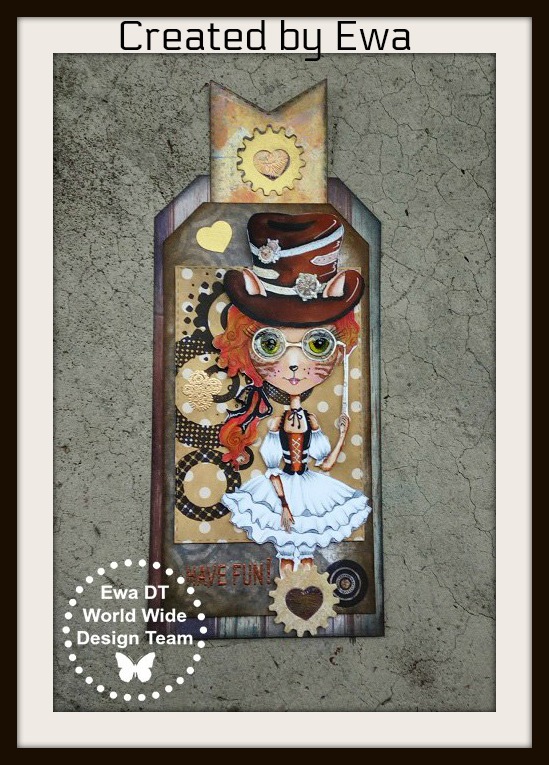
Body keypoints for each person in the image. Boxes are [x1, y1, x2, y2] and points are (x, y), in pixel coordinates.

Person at [213, 212, 371, 577]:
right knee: (286, 548)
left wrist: (342, 434)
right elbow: (271, 467)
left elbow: (326, 463)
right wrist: (283, 501)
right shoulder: (273, 428)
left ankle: (304, 583)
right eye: (270, 344)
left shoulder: (312, 423)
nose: (295, 365)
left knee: (307, 546)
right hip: (282, 486)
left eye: (317, 343)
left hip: (309, 485)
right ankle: (288, 578)